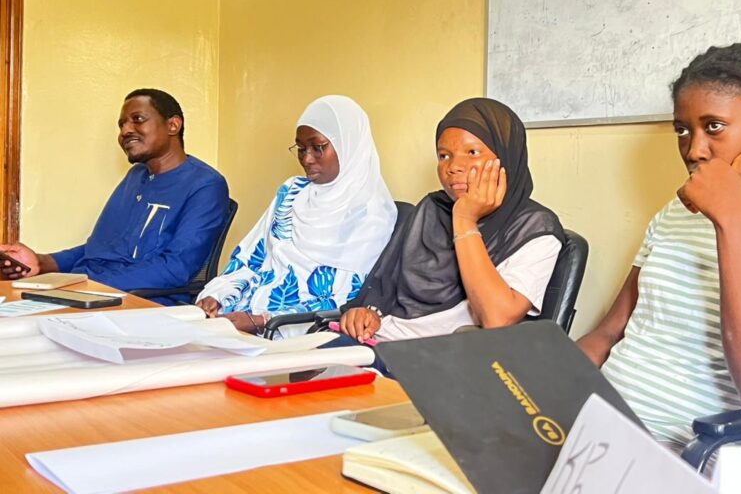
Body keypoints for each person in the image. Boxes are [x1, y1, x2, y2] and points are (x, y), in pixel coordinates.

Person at [577, 42, 741, 450]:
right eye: (682, 130)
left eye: (714, 127)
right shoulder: (675, 213)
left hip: (683, 453)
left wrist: (733, 219)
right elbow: (611, 330)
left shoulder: (732, 223)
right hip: (597, 423)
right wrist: (542, 380)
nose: (694, 150)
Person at [340, 97, 564, 343]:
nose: (454, 166)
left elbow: (496, 319)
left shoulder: (536, 229)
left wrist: (465, 219)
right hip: (373, 340)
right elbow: (384, 290)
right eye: (444, 155)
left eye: (472, 152)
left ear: (506, 156)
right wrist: (368, 313)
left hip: (433, 355)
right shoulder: (431, 208)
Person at [0, 88, 229, 304]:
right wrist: (42, 262)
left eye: (138, 119)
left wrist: (83, 286)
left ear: (173, 125)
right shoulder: (136, 176)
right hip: (89, 294)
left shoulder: (205, 184)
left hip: (139, 302)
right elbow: (99, 250)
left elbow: (176, 268)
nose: (125, 131)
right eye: (122, 125)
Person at [196, 95, 397, 335]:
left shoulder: (370, 213)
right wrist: (217, 296)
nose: (307, 159)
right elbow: (250, 259)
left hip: (293, 331)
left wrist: (261, 320)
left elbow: (345, 301)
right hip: (236, 318)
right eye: (301, 149)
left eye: (318, 147)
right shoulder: (292, 191)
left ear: (349, 146)